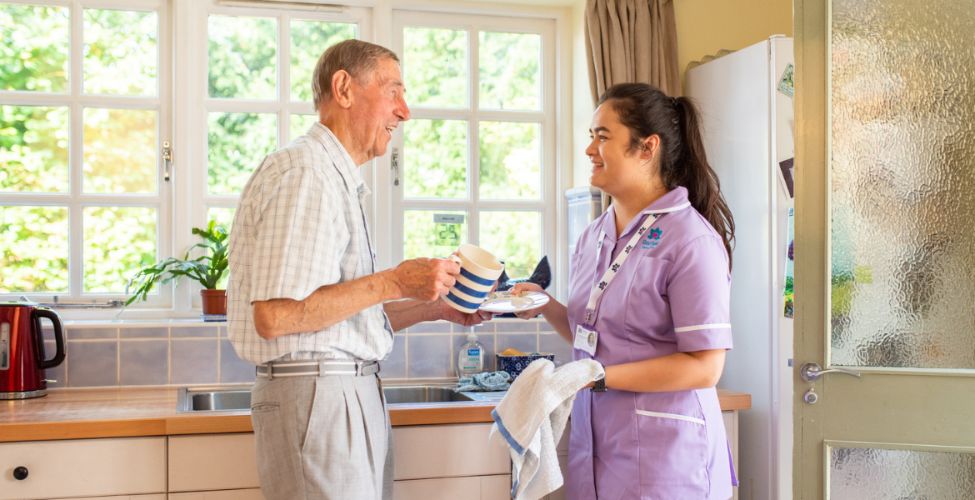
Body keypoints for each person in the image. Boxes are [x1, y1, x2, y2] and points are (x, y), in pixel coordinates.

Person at [227, 39, 487, 500]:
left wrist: (436, 309)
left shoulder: (333, 177)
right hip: (318, 398)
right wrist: (392, 279)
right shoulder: (307, 173)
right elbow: (275, 317)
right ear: (344, 88)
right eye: (393, 91)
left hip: (337, 394)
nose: (405, 111)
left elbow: (329, 317)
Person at [512, 83, 737, 499]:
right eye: (590, 137)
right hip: (597, 451)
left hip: (666, 459)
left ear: (646, 148)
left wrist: (596, 377)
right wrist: (546, 305)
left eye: (602, 137)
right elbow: (596, 337)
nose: (589, 150)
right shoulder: (593, 236)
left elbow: (705, 366)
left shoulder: (690, 240)